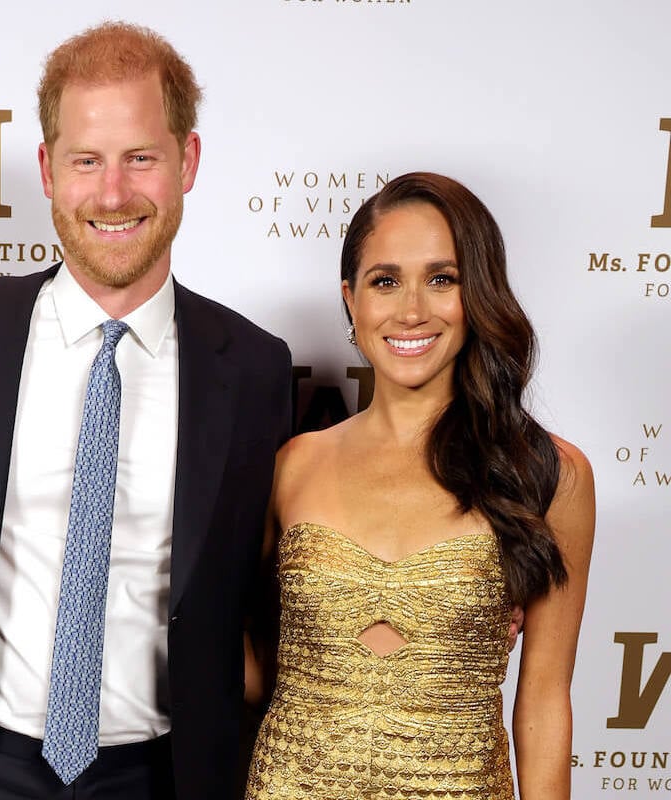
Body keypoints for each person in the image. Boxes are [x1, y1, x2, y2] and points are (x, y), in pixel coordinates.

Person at [0, 21, 292, 800]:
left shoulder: (255, 369)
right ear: (45, 169)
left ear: (188, 162)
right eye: (86, 161)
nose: (112, 193)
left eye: (141, 157)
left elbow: (282, 582)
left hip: (162, 776)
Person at [245, 172, 595, 800]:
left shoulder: (548, 473)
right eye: (385, 281)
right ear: (351, 299)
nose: (411, 310)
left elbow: (543, 703)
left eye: (442, 279)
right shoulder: (292, 464)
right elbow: (244, 663)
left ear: (479, 294)